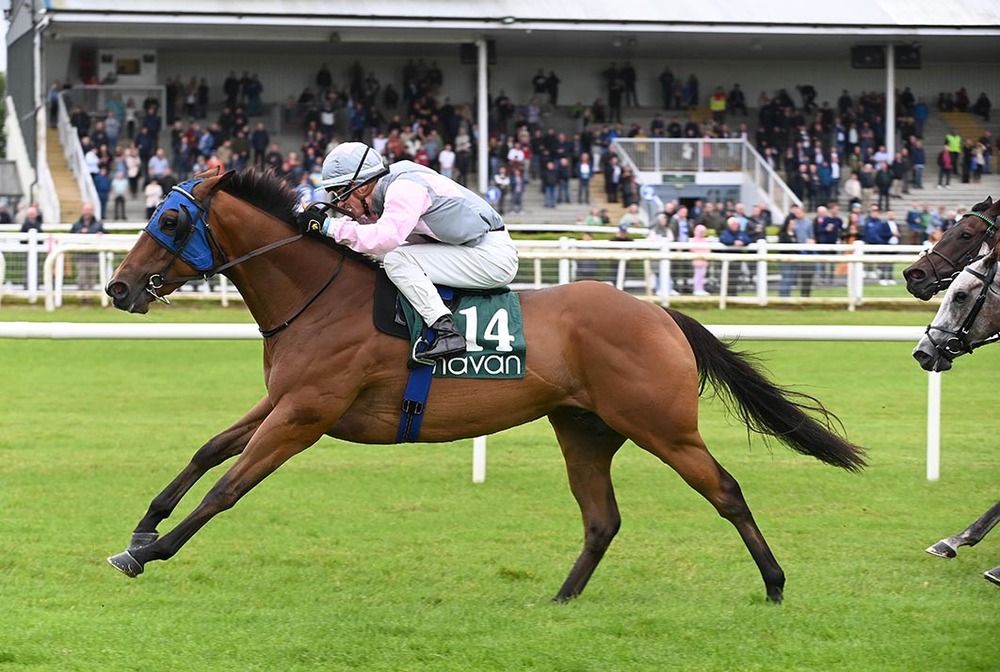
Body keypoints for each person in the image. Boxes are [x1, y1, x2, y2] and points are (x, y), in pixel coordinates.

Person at [299, 142, 518, 361]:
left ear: (362, 187)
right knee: (390, 257)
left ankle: (446, 330)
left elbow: (384, 238)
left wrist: (329, 227)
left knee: (396, 258)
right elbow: (368, 230)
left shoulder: (404, 187)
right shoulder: (388, 185)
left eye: (341, 193)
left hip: (492, 256)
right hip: (470, 249)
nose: (340, 202)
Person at [69, 203, 107, 292]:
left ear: (92, 211)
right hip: (81, 256)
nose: (87, 212)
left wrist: (101, 234)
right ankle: (82, 297)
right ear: (83, 210)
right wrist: (80, 233)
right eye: (86, 210)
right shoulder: (76, 224)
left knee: (91, 278)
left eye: (89, 210)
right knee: (81, 277)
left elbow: (106, 234)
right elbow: (70, 236)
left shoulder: (98, 224)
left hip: (93, 256)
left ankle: (89, 298)